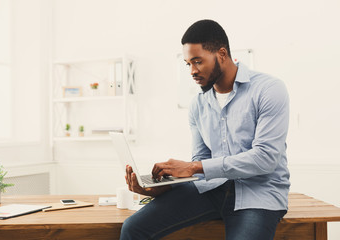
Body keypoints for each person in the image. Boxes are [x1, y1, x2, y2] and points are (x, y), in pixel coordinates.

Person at [121, 19, 290, 240]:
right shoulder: (198, 105)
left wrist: (193, 167)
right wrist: (163, 188)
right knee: (133, 228)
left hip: (258, 194)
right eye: (188, 63)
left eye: (198, 61)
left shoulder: (268, 89)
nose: (192, 71)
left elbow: (266, 158)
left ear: (221, 54)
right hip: (212, 190)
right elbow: (201, 161)